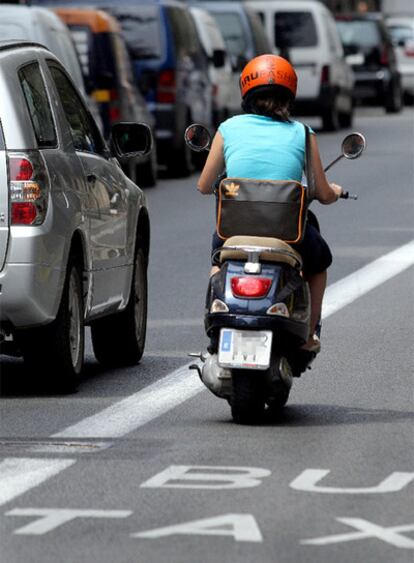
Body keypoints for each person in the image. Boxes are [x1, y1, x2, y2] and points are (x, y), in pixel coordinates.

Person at [196, 54, 343, 352]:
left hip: (232, 233)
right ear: (290, 94)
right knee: (319, 263)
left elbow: (203, 185)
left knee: (218, 261)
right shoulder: (303, 133)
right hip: (287, 234)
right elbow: (321, 192)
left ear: (246, 92)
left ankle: (216, 322)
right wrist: (335, 191)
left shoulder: (228, 128)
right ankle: (310, 334)